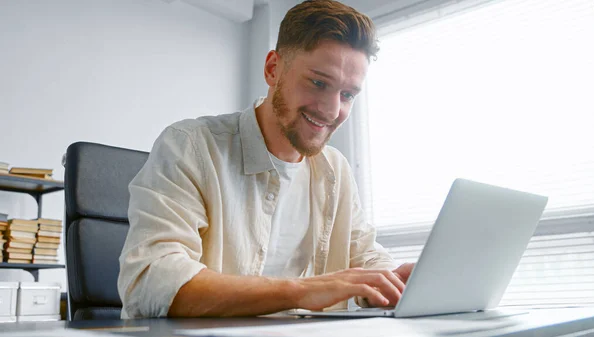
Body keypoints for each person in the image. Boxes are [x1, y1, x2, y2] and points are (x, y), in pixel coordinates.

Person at [117, 0, 414, 319]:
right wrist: (305, 291)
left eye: (347, 95)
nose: (331, 111)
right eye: (318, 83)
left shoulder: (335, 170)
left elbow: (365, 257)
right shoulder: (190, 146)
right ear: (273, 69)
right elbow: (153, 283)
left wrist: (397, 283)